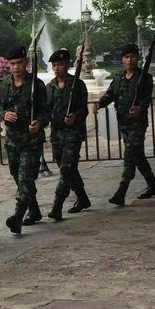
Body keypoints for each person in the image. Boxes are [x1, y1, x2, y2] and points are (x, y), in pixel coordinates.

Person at [95, 43, 155, 205]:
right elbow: (109, 94)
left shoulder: (145, 77)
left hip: (138, 123)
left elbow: (146, 98)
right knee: (137, 154)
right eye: (126, 57)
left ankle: (121, 191)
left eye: (132, 56)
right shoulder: (118, 78)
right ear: (122, 60)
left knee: (130, 154)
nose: (129, 60)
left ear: (137, 58)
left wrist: (140, 108)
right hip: (123, 122)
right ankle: (152, 185)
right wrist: (99, 104)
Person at [0, 43, 49, 233]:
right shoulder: (4, 84)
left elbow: (46, 112)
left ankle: (18, 214)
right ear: (8, 64)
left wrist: (39, 122)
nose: (16, 67)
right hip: (12, 140)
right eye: (12, 63)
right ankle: (34, 210)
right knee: (18, 177)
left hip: (31, 140)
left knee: (26, 177)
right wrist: (3, 114)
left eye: (19, 63)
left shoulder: (37, 84)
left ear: (25, 62)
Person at [45, 48, 91, 220]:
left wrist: (76, 116)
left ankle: (57, 205)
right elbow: (46, 109)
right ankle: (83, 198)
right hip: (57, 134)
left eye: (60, 65)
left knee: (66, 168)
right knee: (68, 168)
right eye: (54, 65)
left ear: (67, 65)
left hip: (73, 133)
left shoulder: (78, 85)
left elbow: (83, 109)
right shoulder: (50, 87)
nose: (57, 68)